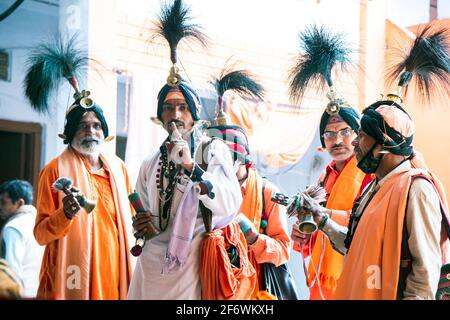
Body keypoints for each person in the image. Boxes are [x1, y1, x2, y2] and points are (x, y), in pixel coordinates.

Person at [294, 25, 450, 299]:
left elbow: (425, 275)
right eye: (331, 133)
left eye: (360, 135)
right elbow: (354, 243)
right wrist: (322, 219)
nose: (352, 142)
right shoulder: (376, 186)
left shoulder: (417, 189)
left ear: (385, 144)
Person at [127, 0, 242, 300]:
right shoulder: (150, 162)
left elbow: (230, 202)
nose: (175, 114)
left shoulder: (212, 149)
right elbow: (149, 218)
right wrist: (143, 224)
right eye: (168, 108)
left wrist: (192, 167)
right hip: (150, 266)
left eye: (182, 107)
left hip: (190, 264)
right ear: (160, 115)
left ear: (193, 115)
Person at [24, 36, 135, 300]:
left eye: (97, 125)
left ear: (104, 131)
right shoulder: (54, 170)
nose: (91, 131)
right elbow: (40, 234)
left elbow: (132, 220)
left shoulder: (118, 169)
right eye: (83, 125)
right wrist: (65, 214)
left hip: (114, 280)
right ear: (70, 132)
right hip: (69, 279)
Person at [287, 24, 372, 299]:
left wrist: (321, 215)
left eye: (345, 132)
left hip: (355, 278)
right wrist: (301, 234)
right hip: (319, 283)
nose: (337, 140)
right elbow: (312, 234)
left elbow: (369, 222)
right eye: (329, 133)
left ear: (359, 135)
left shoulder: (371, 176)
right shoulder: (323, 179)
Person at [0, 180, 44, 298]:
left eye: (3, 202)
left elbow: (12, 270)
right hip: (39, 293)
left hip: (19, 294)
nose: (0, 207)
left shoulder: (13, 227)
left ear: (19, 203)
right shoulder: (40, 224)